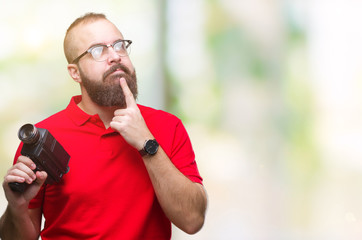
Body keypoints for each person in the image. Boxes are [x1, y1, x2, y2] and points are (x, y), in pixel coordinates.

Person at [0, 13, 207, 240]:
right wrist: (16, 207)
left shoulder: (167, 126)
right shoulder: (41, 139)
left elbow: (192, 220)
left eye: (119, 46)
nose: (115, 56)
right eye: (98, 50)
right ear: (74, 72)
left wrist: (148, 144)